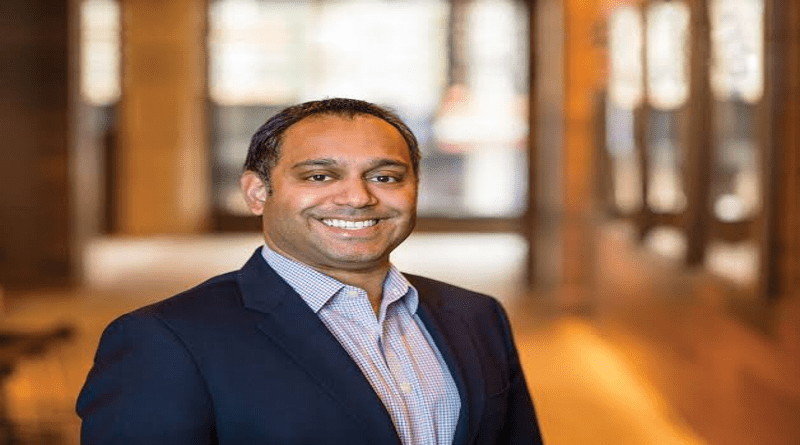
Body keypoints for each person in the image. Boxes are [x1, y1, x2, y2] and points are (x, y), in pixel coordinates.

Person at [76, 98, 544, 445]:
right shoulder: (165, 340)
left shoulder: (477, 316)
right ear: (257, 193)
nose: (357, 197)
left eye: (385, 177)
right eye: (319, 176)